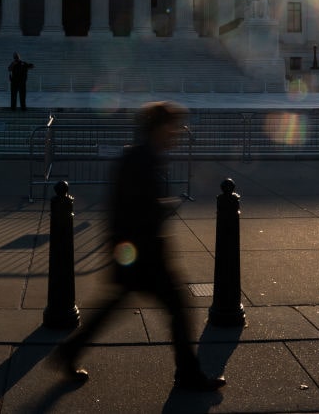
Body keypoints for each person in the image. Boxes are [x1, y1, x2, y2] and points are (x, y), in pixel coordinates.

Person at [53, 101, 226, 392]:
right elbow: (134, 208)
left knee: (119, 305)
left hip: (137, 251)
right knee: (178, 307)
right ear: (159, 127)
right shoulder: (140, 159)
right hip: (142, 253)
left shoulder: (145, 155)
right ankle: (188, 375)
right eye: (174, 127)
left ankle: (70, 352)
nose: (178, 133)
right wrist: (164, 207)